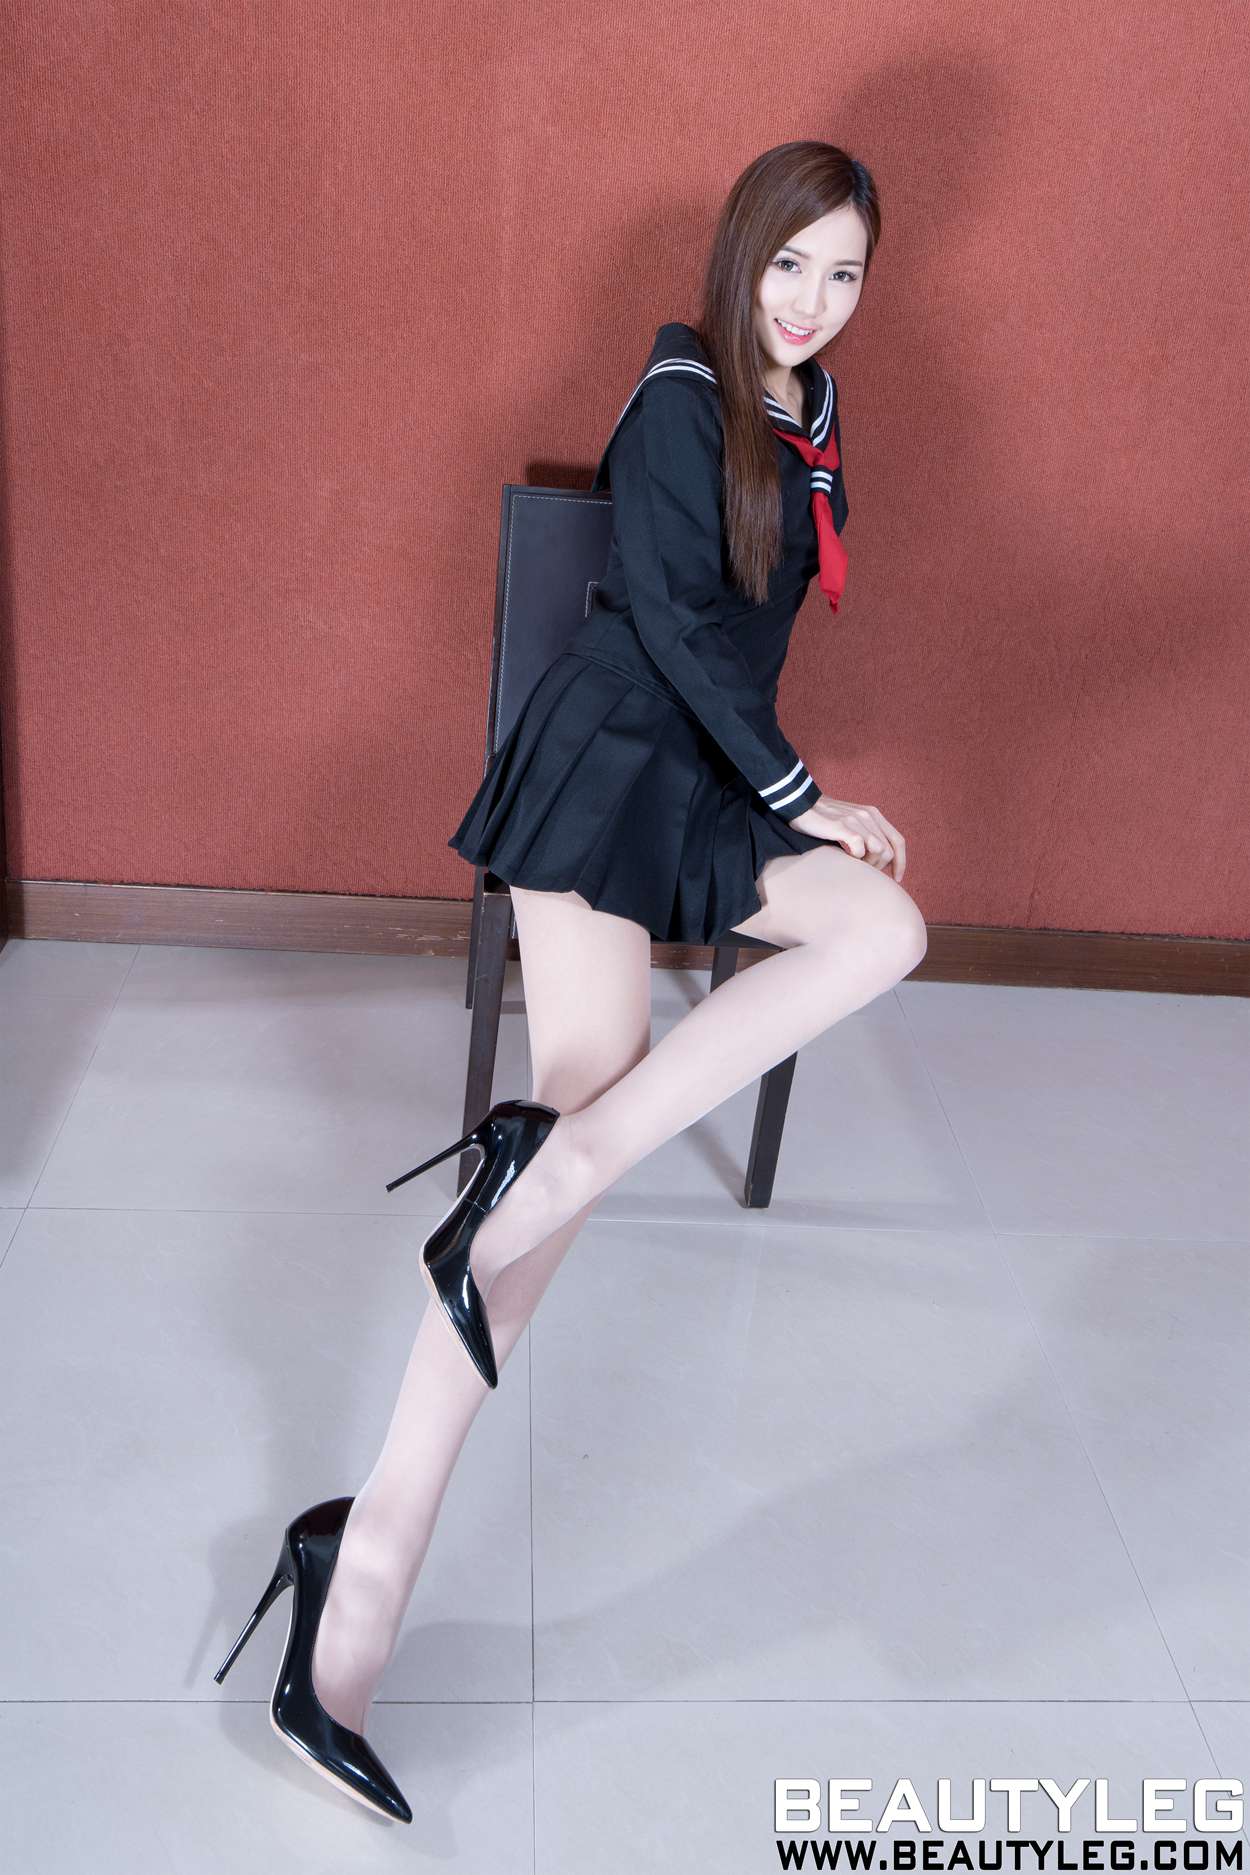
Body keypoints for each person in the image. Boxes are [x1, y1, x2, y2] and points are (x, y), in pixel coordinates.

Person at [218, 138, 927, 1822]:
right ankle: (364, 1573)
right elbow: (672, 624)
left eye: (842, 274)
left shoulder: (815, 414)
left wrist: (776, 791)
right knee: (572, 1147)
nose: (811, 301)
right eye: (789, 264)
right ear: (737, 253)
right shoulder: (681, 389)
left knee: (880, 934)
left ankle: (538, 1177)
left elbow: (745, 641)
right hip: (610, 758)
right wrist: (803, 794)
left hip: (706, 783)